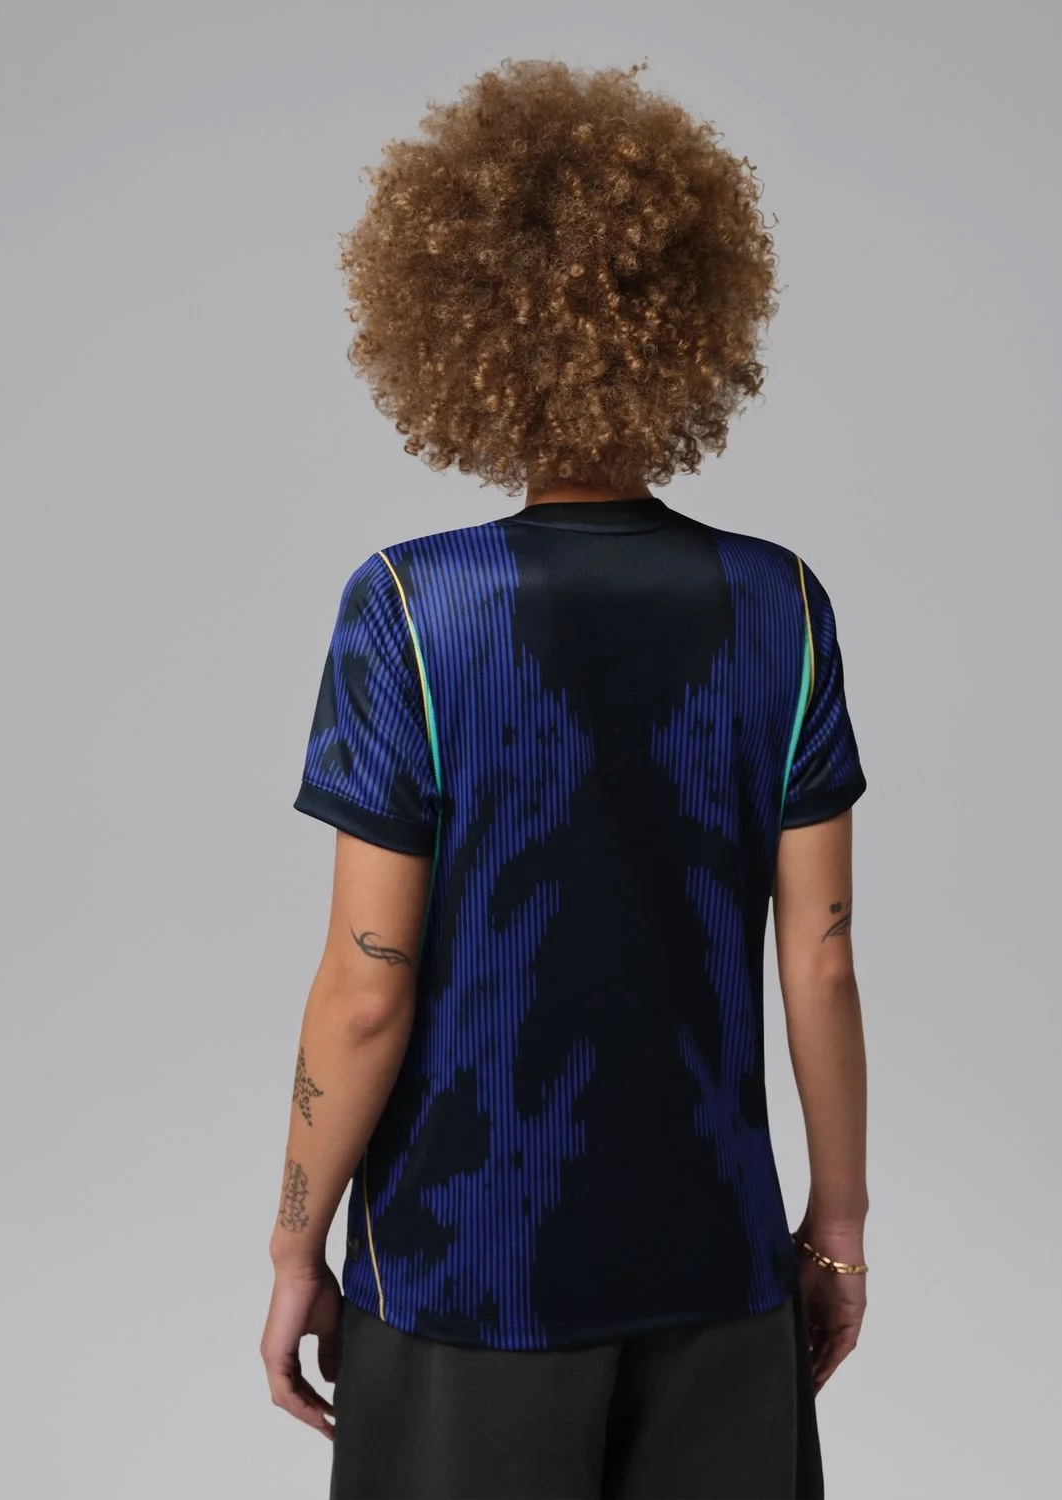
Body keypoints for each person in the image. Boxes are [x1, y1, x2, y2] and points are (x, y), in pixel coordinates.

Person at [258, 57, 870, 1500]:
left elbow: (366, 987)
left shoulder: (411, 612)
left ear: (456, 331)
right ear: (687, 324)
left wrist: (296, 1245)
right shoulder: (781, 606)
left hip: (463, 1281)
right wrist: (835, 1232)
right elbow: (823, 963)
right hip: (718, 1270)